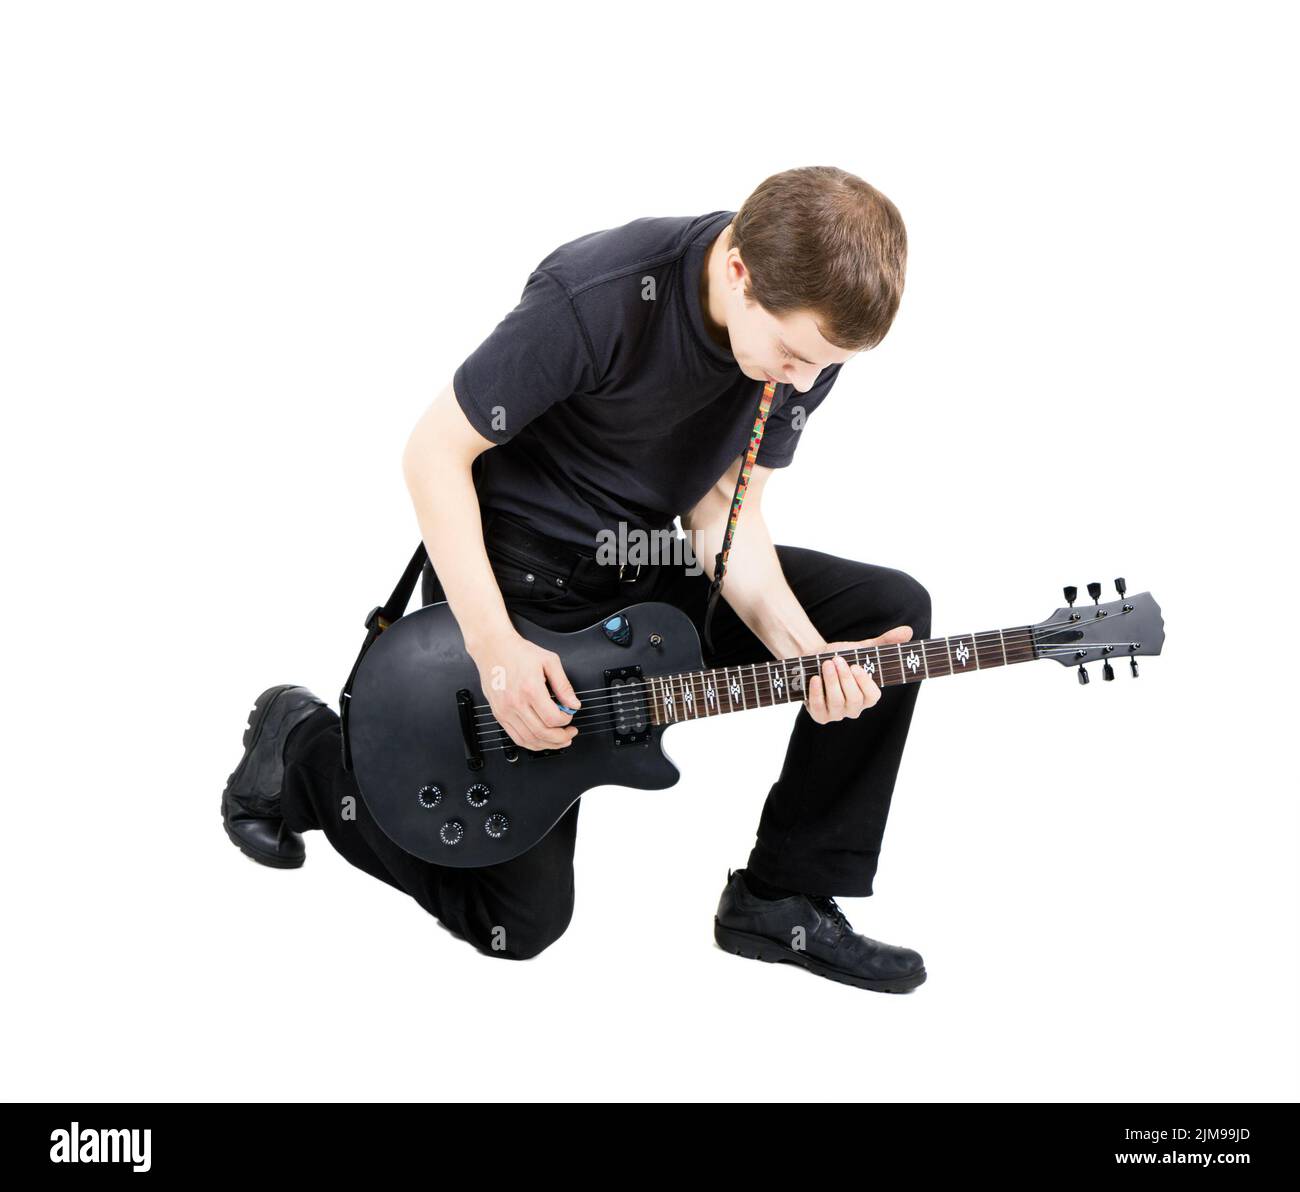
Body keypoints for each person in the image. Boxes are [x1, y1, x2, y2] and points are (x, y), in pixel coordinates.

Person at [221, 166, 932, 992]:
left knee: (888, 616)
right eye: (795, 354)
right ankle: (305, 751)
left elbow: (718, 515)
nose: (803, 381)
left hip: (637, 567)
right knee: (520, 923)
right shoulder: (597, 295)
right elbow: (432, 453)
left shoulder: (808, 338)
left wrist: (807, 656)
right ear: (739, 271)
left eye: (826, 365)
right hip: (510, 583)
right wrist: (496, 651)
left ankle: (784, 899)